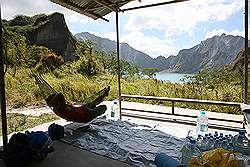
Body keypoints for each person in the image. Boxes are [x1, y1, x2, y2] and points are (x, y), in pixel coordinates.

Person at [45, 86, 110, 122]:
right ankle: (104, 95)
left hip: (82, 109)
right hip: (86, 116)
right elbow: (60, 95)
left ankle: (105, 94)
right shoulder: (61, 109)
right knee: (104, 107)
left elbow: (58, 97)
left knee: (94, 102)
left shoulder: (59, 107)